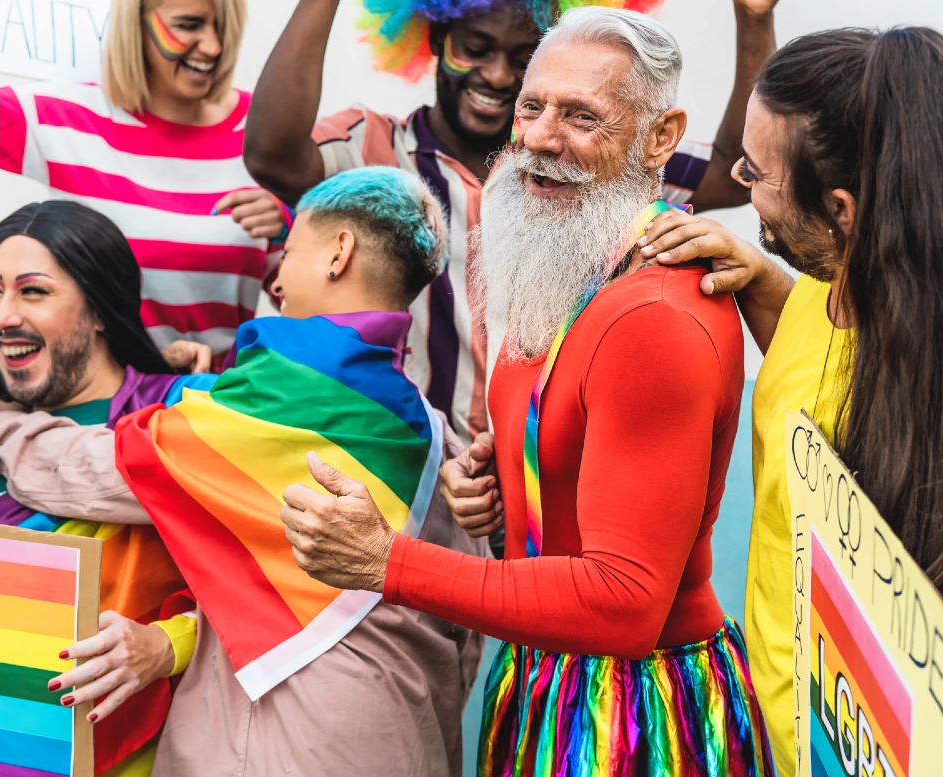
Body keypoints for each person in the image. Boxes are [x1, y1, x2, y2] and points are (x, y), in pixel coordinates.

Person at [277, 10, 773, 775]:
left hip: (634, 720)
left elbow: (623, 601)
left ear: (660, 136)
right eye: (533, 107)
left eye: (582, 116)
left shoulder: (652, 315)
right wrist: (508, 474)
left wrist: (387, 563)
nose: (540, 136)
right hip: (548, 679)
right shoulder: (572, 253)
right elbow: (573, 443)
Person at [0, 167, 487, 776]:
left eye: (288, 252)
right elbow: (463, 625)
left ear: (338, 254)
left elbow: (100, 471)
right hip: (405, 738)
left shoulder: (275, 398)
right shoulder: (434, 429)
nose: (277, 279)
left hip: (288, 744)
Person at [244, 0, 779, 442]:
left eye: (522, 58)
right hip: (410, 456)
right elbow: (273, 157)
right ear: (433, 41)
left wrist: (754, 20)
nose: (497, 75)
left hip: (540, 478)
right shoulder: (377, 146)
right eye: (473, 49)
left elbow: (733, 171)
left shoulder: (589, 162)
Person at [634, 26, 943, 773]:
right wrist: (762, 273)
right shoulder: (826, 294)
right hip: (774, 732)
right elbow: (817, 368)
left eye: (755, 172)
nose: (738, 184)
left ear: (840, 209)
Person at [0, 200, 213, 777]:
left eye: (33, 292)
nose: (2, 316)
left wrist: (170, 644)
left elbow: (267, 583)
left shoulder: (183, 410)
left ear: (98, 309)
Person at [0, 0, 289, 364]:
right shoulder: (65, 120)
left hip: (223, 419)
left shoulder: (263, 134)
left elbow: (313, 297)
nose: (212, 46)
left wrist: (289, 227)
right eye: (190, 24)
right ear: (133, 24)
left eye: (221, 27)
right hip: (100, 425)